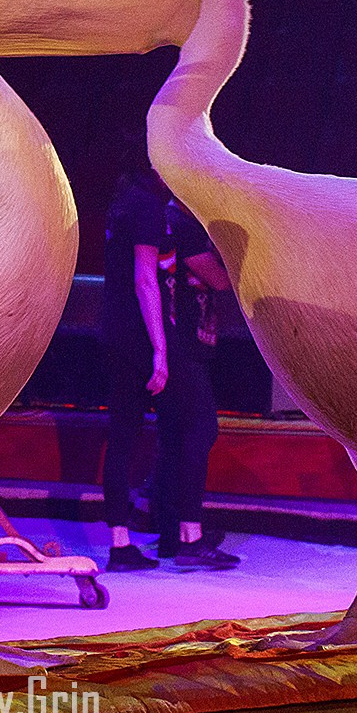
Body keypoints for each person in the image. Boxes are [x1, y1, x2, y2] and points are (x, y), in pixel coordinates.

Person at [98, 164, 240, 570]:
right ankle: (182, 535)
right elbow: (148, 281)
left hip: (128, 332)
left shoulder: (130, 205)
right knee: (192, 430)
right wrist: (161, 350)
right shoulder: (157, 213)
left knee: (152, 434)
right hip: (156, 338)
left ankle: (145, 536)